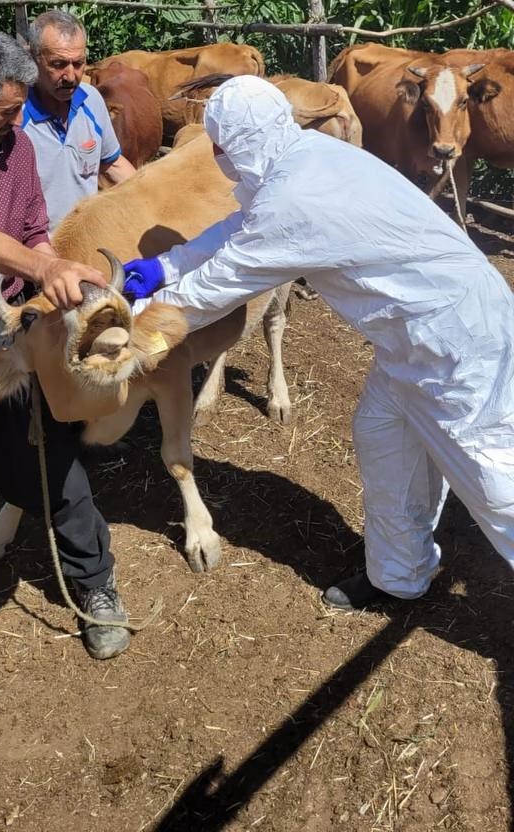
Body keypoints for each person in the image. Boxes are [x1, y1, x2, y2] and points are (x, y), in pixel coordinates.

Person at [122, 75, 514, 611]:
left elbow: (218, 286)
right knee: (384, 438)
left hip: (454, 341)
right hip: (411, 341)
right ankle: (400, 575)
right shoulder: (303, 159)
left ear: (245, 141)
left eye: (221, 143)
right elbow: (245, 224)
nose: (213, 153)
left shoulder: (296, 199)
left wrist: (130, 316)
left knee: (494, 480)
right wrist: (166, 264)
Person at [0, 33, 130, 659]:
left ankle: (95, 587)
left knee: (49, 455)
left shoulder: (15, 147)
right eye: (6, 110)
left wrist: (57, 272)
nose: (20, 121)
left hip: (9, 322)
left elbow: (30, 231)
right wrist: (40, 268)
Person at [22, 11, 135, 232]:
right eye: (58, 64)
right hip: (36, 252)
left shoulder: (91, 100)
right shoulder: (15, 116)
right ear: (34, 59)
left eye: (78, 63)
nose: (71, 76)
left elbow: (112, 163)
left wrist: (150, 197)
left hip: (84, 240)